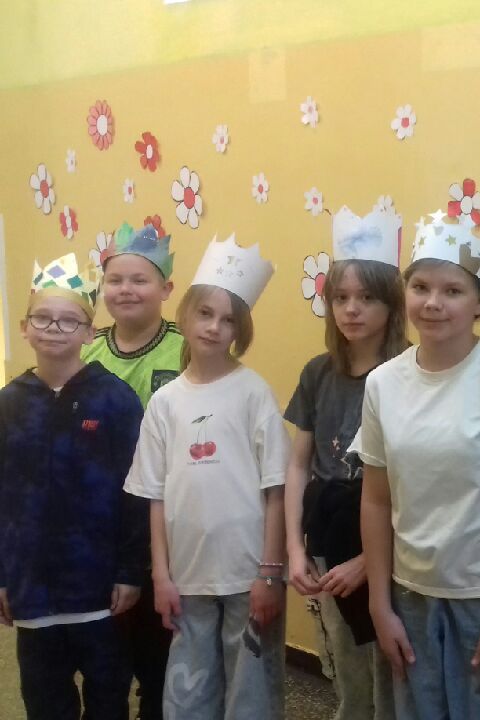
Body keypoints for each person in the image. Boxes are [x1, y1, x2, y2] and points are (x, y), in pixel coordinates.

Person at [354, 210, 480, 719]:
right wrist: (379, 603)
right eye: (420, 287)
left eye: (453, 291)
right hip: (409, 595)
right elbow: (375, 499)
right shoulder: (383, 384)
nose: (433, 302)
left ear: (479, 302)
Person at [124, 237, 289, 720]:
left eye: (229, 319)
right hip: (187, 575)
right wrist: (161, 575)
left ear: (241, 330)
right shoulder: (165, 403)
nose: (215, 327)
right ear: (186, 314)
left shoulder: (253, 392)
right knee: (188, 692)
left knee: (250, 692)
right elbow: (155, 496)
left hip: (248, 572)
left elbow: (276, 490)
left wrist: (269, 572)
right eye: (205, 314)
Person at [1, 254, 146, 720]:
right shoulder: (8, 404)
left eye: (69, 321)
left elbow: (136, 493)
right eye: (42, 318)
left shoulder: (115, 399)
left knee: (108, 700)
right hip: (32, 588)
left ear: (89, 332)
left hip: (99, 589)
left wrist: (130, 571)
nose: (54, 329)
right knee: (45, 703)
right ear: (24, 328)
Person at [285, 207, 408, 720]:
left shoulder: (409, 373)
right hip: (329, 538)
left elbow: (415, 485)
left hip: (390, 543)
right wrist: (295, 548)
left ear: (391, 304)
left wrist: (370, 561)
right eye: (340, 297)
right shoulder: (318, 374)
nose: (351, 309)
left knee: (394, 671)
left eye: (367, 298)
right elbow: (299, 465)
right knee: (344, 664)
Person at [83, 220, 182, 720]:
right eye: (115, 280)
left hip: (168, 519)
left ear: (166, 288)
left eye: (139, 279)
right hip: (103, 523)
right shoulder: (86, 352)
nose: (125, 289)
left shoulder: (188, 348)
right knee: (107, 649)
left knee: (160, 646)